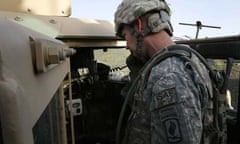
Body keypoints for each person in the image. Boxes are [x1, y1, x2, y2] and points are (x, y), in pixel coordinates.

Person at [114, 0, 213, 143]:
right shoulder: (186, 58)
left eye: (125, 36)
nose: (127, 46)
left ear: (139, 25)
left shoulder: (168, 76)